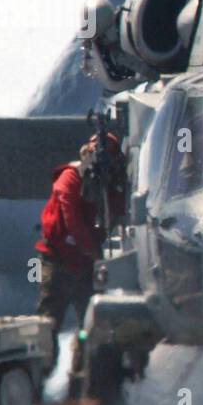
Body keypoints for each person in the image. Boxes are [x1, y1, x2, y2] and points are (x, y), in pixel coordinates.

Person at [34, 132, 127, 367]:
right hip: (58, 261)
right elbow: (71, 219)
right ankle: (42, 374)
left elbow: (117, 210)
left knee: (89, 324)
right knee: (48, 322)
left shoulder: (107, 186)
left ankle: (82, 375)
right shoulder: (70, 177)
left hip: (85, 263)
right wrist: (92, 250)